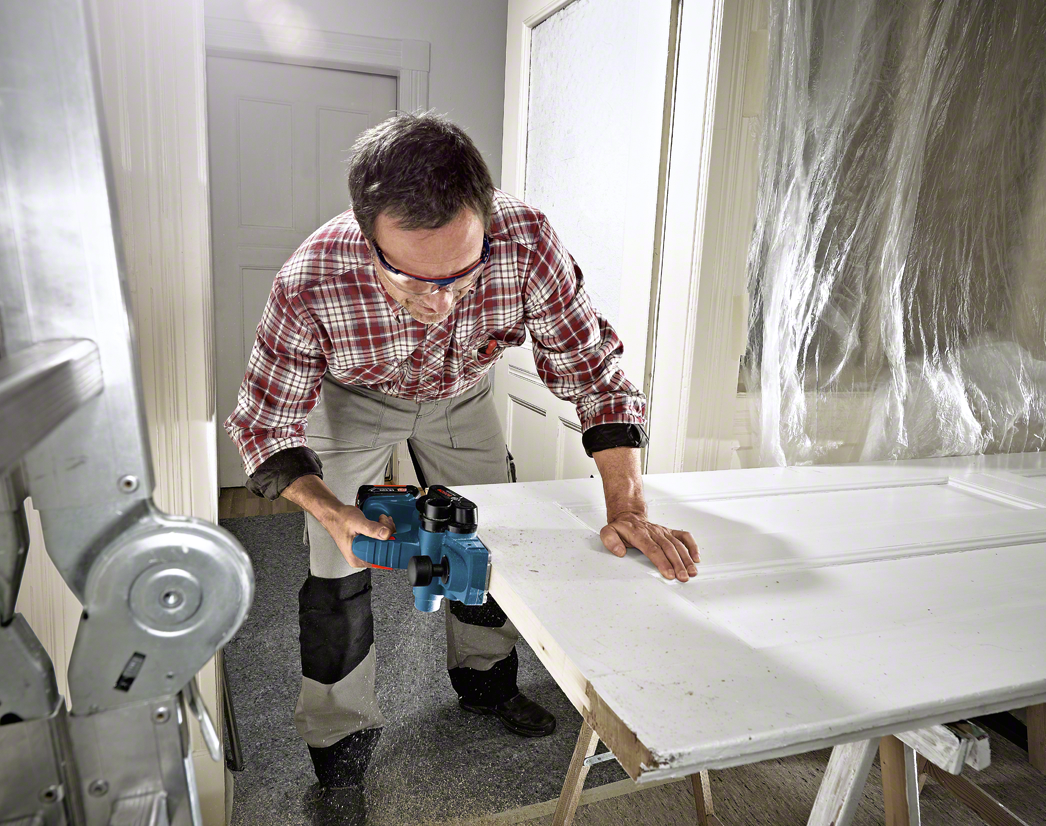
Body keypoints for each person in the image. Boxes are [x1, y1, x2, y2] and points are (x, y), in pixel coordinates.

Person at [225, 112, 701, 791]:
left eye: (460, 274)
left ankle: (485, 681)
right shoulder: (312, 278)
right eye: (412, 278)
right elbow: (266, 425)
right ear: (368, 239)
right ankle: (338, 739)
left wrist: (627, 504)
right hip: (352, 400)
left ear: (484, 220)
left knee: (481, 536)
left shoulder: (527, 241)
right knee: (336, 566)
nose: (440, 301)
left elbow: (595, 374)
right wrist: (331, 512)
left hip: (462, 395)